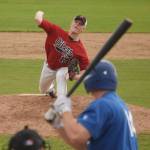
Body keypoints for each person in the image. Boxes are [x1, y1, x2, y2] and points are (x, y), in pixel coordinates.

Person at [45, 59, 138, 150]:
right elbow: (83, 145)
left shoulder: (103, 105)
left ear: (93, 79)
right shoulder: (117, 103)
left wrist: (65, 108)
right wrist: (58, 124)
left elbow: (76, 135)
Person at [35, 11, 89, 98]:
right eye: (76, 22)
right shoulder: (56, 31)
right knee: (42, 89)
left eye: (80, 24)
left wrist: (75, 76)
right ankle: (51, 89)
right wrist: (40, 12)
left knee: (61, 74)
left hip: (63, 69)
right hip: (49, 66)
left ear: (83, 29)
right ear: (71, 23)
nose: (77, 25)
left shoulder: (81, 51)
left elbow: (86, 73)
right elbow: (38, 19)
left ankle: (62, 101)